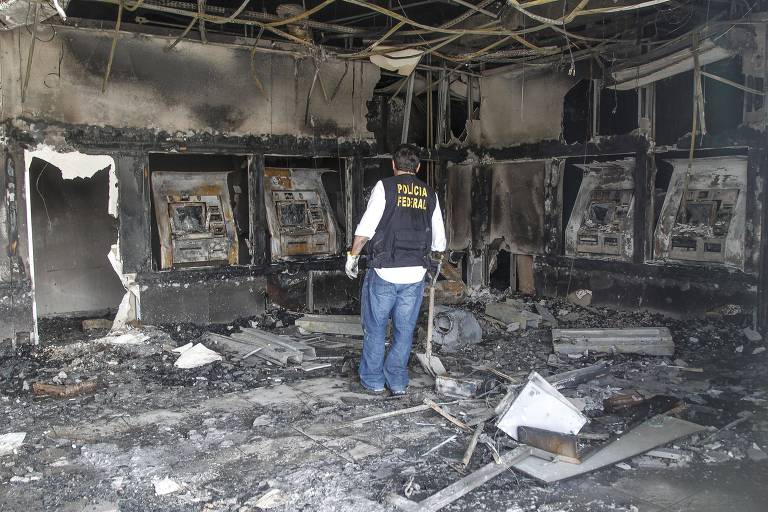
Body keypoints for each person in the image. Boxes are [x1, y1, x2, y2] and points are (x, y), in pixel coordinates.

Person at [345, 144, 446, 396]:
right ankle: (398, 381)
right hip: (414, 275)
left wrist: (352, 256)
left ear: (393, 165)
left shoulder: (385, 187)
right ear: (418, 167)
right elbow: (439, 242)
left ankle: (373, 381)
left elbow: (366, 227)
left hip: (384, 272)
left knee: (376, 328)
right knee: (404, 330)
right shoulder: (430, 194)